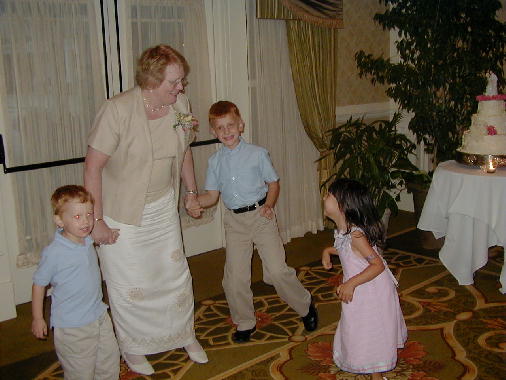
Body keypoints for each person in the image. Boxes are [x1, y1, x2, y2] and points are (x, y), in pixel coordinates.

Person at [84, 44, 207, 375]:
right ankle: (134, 347)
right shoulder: (118, 110)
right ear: (151, 81)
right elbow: (93, 167)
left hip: (162, 206)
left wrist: (191, 193)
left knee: (173, 275)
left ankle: (183, 334)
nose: (181, 88)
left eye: (182, 81)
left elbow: (183, 152)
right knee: (131, 284)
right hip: (121, 213)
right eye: (174, 82)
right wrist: (95, 221)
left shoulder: (179, 105)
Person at [196, 100, 318, 343]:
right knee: (234, 277)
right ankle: (244, 321)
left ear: (241, 125)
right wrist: (195, 202)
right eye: (220, 128)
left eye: (231, 125)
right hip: (235, 223)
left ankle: (305, 306)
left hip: (261, 216)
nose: (227, 131)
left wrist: (269, 205)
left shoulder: (258, 154)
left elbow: (273, 184)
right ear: (213, 132)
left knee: (276, 271)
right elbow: (211, 196)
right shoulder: (214, 162)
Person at [321, 179, 407, 380]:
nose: (324, 198)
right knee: (360, 327)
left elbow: (377, 265)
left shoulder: (356, 236)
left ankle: (376, 375)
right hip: (363, 286)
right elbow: (345, 248)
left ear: (342, 206)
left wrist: (350, 283)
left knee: (369, 330)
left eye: (328, 195)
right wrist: (327, 250)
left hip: (371, 290)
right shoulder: (345, 231)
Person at [31, 185, 120, 380]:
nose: (86, 221)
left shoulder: (86, 239)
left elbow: (96, 239)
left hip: (98, 314)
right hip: (73, 327)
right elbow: (39, 284)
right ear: (59, 221)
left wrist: (109, 235)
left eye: (89, 214)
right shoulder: (54, 252)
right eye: (77, 216)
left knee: (109, 362)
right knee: (80, 372)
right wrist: (38, 317)